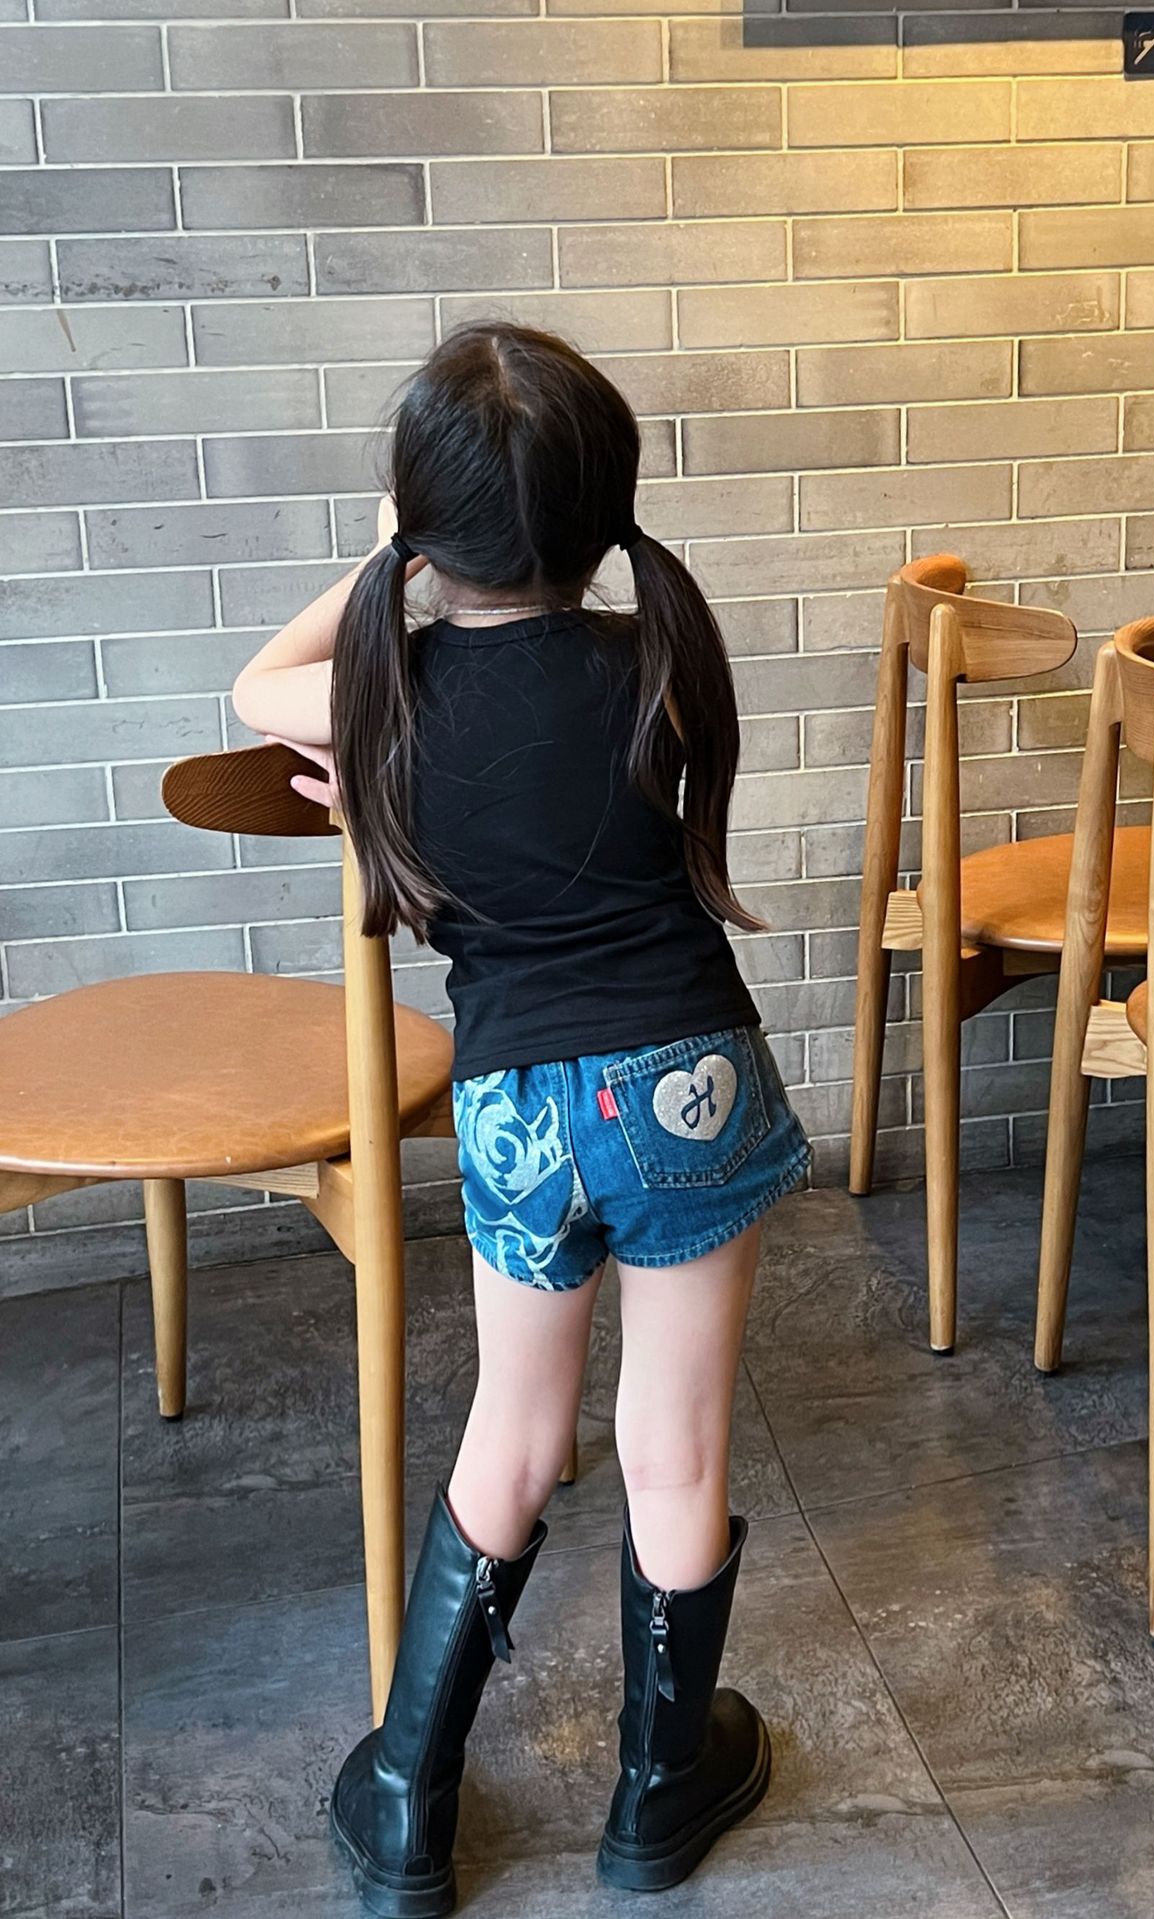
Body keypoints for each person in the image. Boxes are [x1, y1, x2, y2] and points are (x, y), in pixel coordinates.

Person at [231, 322, 812, 1919]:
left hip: (519, 1111)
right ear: (605, 506)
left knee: (520, 1433)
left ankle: (407, 1803)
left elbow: (251, 686)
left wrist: (386, 564)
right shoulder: (664, 659)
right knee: (674, 1445)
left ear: (426, 529)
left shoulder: (388, 695)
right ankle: (658, 1796)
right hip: (692, 1081)